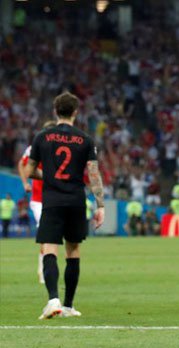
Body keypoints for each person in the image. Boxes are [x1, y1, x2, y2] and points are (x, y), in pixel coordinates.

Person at [24, 92, 105, 320]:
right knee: (73, 251)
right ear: (76, 113)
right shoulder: (86, 139)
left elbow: (30, 171)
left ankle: (53, 301)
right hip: (76, 201)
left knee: (50, 248)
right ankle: (69, 306)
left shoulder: (42, 137)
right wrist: (100, 205)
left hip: (52, 201)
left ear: (55, 110)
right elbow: (93, 173)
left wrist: (49, 176)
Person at [18, 120, 57, 283]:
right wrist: (25, 182)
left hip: (55, 198)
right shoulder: (34, 148)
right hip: (38, 199)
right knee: (46, 232)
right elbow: (22, 163)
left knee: (53, 236)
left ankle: (44, 267)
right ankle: (43, 270)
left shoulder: (61, 148)